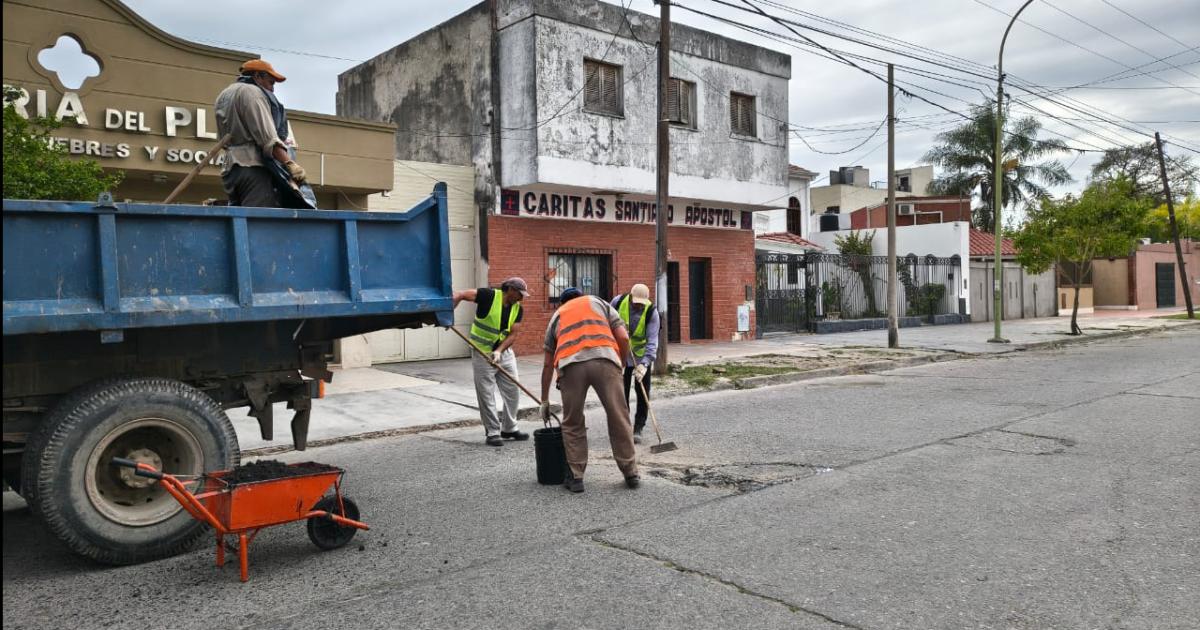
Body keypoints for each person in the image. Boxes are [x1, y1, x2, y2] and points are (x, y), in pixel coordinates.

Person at [540, 287, 639, 493]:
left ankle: (576, 477)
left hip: (571, 366)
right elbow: (624, 338)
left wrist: (544, 400)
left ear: (562, 303)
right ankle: (630, 472)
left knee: (572, 421)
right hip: (604, 360)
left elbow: (548, 365)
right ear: (581, 296)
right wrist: (619, 364)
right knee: (619, 416)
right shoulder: (598, 302)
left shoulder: (557, 316)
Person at [214, 59, 307, 207]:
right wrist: (289, 163)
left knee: (240, 220)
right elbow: (268, 138)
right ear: (257, 76)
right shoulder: (253, 93)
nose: (272, 89)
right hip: (253, 166)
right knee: (258, 222)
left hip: (231, 169)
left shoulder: (224, 95)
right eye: (270, 82)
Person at [453, 278, 531, 446]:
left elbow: (513, 335)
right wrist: (447, 316)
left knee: (513, 389)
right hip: (482, 352)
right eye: (519, 294)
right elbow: (459, 294)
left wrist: (499, 351)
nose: (521, 298)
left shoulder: (518, 309)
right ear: (510, 289)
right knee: (486, 393)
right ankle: (493, 432)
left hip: (504, 353)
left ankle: (509, 428)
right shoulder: (487, 295)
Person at [611, 283, 659, 444]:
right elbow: (606, 322)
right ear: (630, 297)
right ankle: (624, 427)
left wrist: (645, 364)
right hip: (620, 356)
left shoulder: (651, 312)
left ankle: (639, 427)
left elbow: (652, 341)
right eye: (636, 302)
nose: (638, 305)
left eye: (641, 303)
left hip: (640, 357)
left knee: (643, 392)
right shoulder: (618, 302)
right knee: (620, 393)